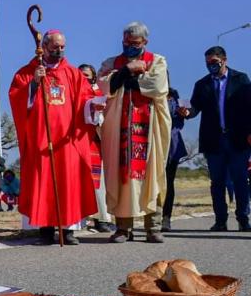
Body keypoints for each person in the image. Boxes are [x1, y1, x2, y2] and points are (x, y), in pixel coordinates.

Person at [9, 30, 99, 245]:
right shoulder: (27, 72)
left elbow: (86, 99)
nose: (60, 51)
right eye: (55, 48)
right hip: (42, 138)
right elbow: (17, 98)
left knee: (68, 182)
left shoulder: (73, 74)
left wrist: (94, 105)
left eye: (62, 47)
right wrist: (33, 84)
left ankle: (68, 230)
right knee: (44, 183)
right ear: (45, 48)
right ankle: (46, 231)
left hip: (67, 140)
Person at [97, 22, 171, 243]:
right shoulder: (112, 63)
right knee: (121, 176)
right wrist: (128, 70)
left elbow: (156, 85)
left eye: (135, 43)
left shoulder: (157, 61)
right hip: (119, 128)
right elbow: (104, 85)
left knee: (152, 173)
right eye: (126, 42)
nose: (129, 46)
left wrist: (124, 79)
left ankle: (153, 227)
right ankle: (122, 228)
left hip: (149, 129)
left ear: (145, 43)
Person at [178, 46, 251, 232]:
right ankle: (220, 220)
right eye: (208, 63)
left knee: (240, 180)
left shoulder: (241, 79)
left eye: (214, 62)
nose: (211, 66)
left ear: (224, 60)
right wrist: (187, 112)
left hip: (238, 139)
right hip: (214, 140)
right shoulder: (202, 84)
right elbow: (195, 108)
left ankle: (243, 218)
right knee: (217, 182)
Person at [79, 63, 113, 233]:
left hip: (95, 140)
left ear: (93, 76)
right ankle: (80, 219)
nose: (84, 77)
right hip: (77, 141)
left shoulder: (99, 93)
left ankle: (102, 219)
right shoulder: (73, 93)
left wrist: (98, 113)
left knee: (98, 184)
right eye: (81, 74)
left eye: (87, 74)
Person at [161, 88, 189, 232]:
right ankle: (150, 218)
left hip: (172, 143)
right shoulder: (145, 91)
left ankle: (166, 218)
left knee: (169, 182)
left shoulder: (173, 96)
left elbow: (180, 122)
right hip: (152, 142)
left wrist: (184, 114)